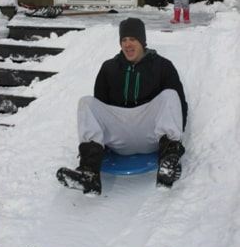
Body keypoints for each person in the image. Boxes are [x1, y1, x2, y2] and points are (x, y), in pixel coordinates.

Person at [56, 18, 188, 194]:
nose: (128, 44)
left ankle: (168, 164)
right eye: (124, 40)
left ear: (142, 41)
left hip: (151, 134)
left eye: (132, 39)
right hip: (119, 137)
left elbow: (179, 107)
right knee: (86, 102)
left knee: (171, 95)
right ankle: (89, 174)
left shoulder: (162, 66)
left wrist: (176, 136)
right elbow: (100, 108)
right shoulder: (109, 68)